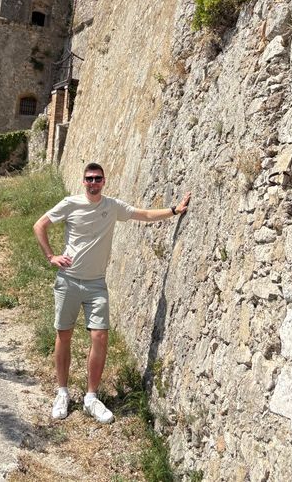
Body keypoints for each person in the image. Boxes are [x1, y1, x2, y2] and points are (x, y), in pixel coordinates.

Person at [33, 162, 191, 424]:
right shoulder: (70, 204)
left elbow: (143, 215)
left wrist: (174, 210)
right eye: (89, 179)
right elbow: (40, 225)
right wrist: (51, 256)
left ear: (104, 181)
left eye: (97, 179)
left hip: (96, 284)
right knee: (64, 335)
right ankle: (62, 393)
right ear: (83, 181)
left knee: (100, 336)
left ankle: (91, 398)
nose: (93, 183)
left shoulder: (112, 206)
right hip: (69, 280)